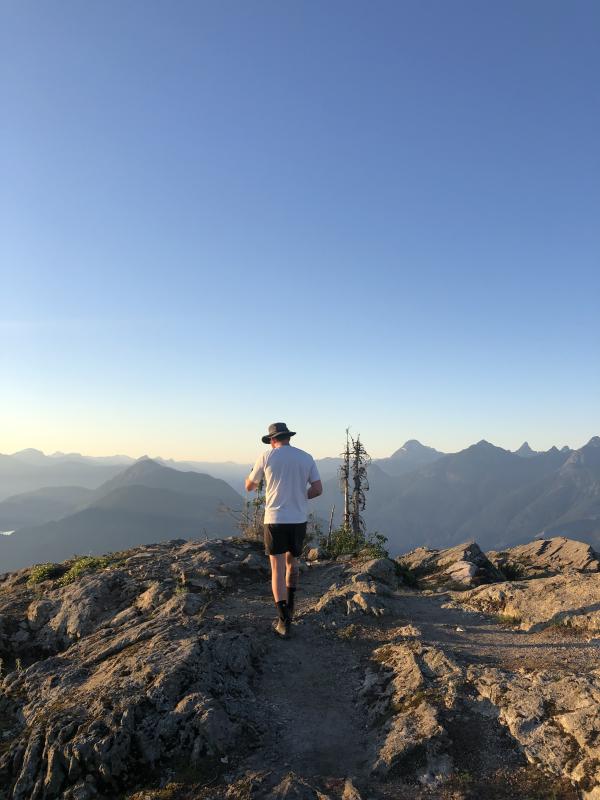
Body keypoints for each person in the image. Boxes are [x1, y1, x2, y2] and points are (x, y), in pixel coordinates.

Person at [245, 422, 323, 638]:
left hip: (275, 519)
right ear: (288, 437)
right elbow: (317, 489)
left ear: (272, 440)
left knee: (277, 568)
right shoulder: (306, 457)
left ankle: (283, 620)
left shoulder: (266, 457)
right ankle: (291, 606)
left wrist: (251, 477)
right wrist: (299, 497)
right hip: (298, 520)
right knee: (292, 563)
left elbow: (249, 486)